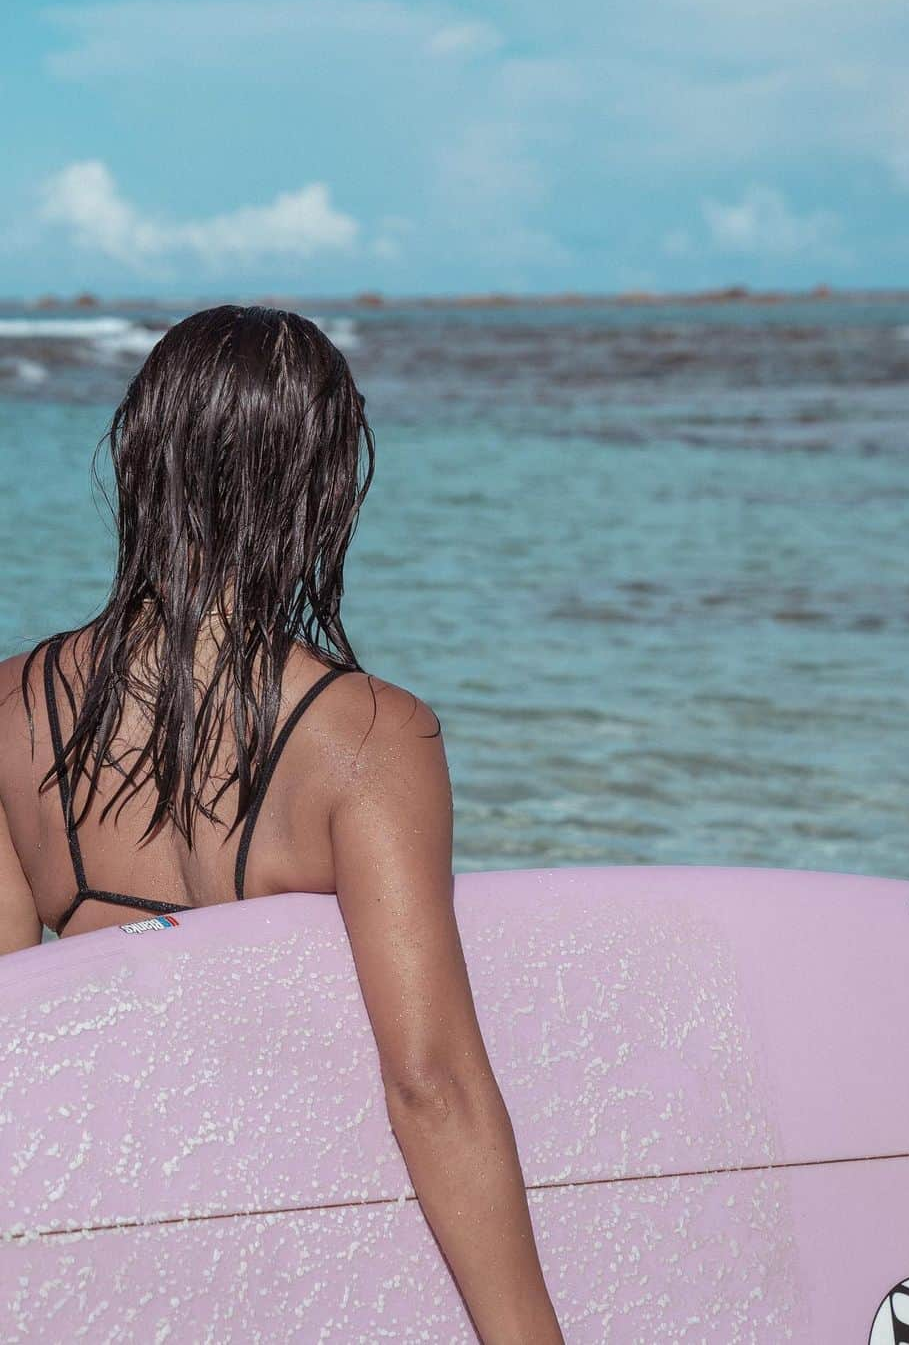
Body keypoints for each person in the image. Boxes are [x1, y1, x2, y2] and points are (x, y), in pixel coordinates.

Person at [0, 305, 564, 1344]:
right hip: (298, 1230)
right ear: (317, 490)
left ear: (143, 460)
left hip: (113, 1227)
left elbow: (14, 1037)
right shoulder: (369, 737)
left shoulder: (10, 709)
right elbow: (428, 1079)